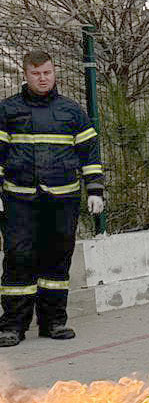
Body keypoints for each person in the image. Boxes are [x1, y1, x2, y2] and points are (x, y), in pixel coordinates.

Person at [0, 51, 105, 347]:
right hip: (19, 200)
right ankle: (12, 326)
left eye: (47, 73)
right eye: (36, 74)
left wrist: (95, 190)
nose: (42, 78)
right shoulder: (7, 111)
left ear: (54, 72)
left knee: (57, 261)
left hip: (63, 200)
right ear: (25, 75)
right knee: (19, 258)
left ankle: (54, 322)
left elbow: (90, 154)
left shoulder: (72, 112)